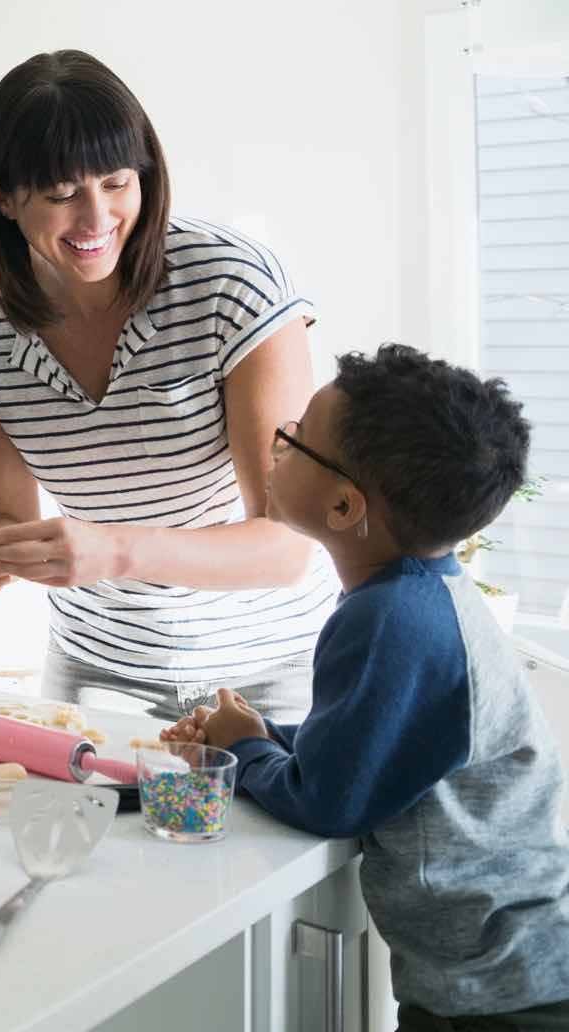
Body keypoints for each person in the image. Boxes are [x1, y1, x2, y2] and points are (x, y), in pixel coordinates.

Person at [163, 344, 569, 1030]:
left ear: (345, 504)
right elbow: (374, 744)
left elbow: (329, 799)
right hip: (511, 973)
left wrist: (249, 754)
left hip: (496, 998)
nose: (275, 444)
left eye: (291, 440)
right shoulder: (420, 597)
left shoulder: (390, 620)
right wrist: (257, 737)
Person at [0, 50, 334, 723]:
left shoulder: (232, 285)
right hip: (96, 670)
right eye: (61, 194)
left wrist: (114, 548)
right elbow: (8, 512)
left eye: (117, 182)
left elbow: (288, 542)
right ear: (2, 195)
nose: (96, 218)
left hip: (270, 670)